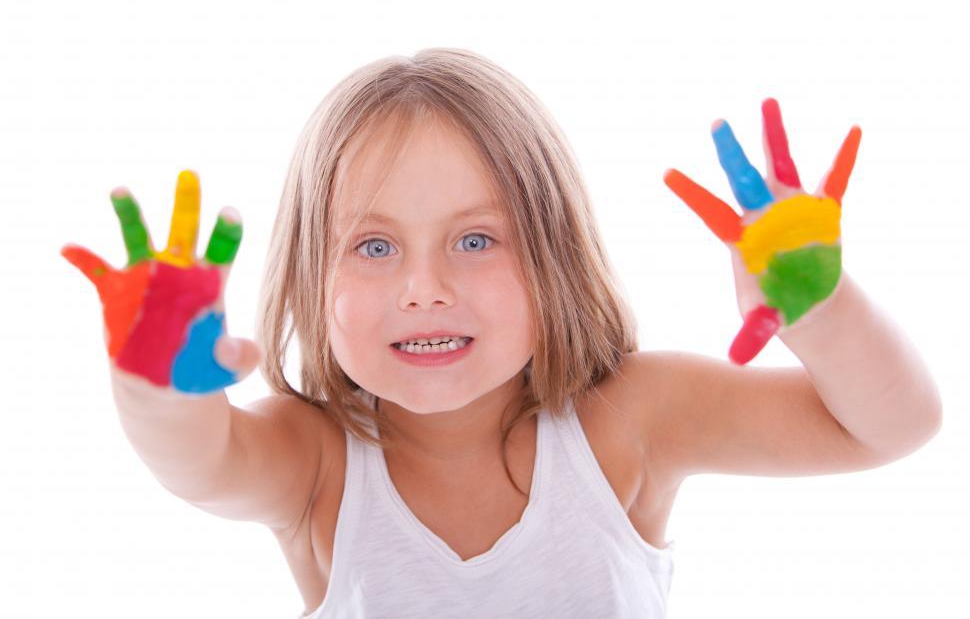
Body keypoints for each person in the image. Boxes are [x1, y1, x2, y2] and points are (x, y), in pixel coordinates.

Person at [61, 47, 942, 618]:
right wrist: (154, 381)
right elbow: (197, 462)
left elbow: (890, 427)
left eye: (475, 240)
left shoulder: (630, 418)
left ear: (552, 254)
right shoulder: (317, 461)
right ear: (310, 275)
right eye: (374, 246)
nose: (424, 289)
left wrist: (819, 310)